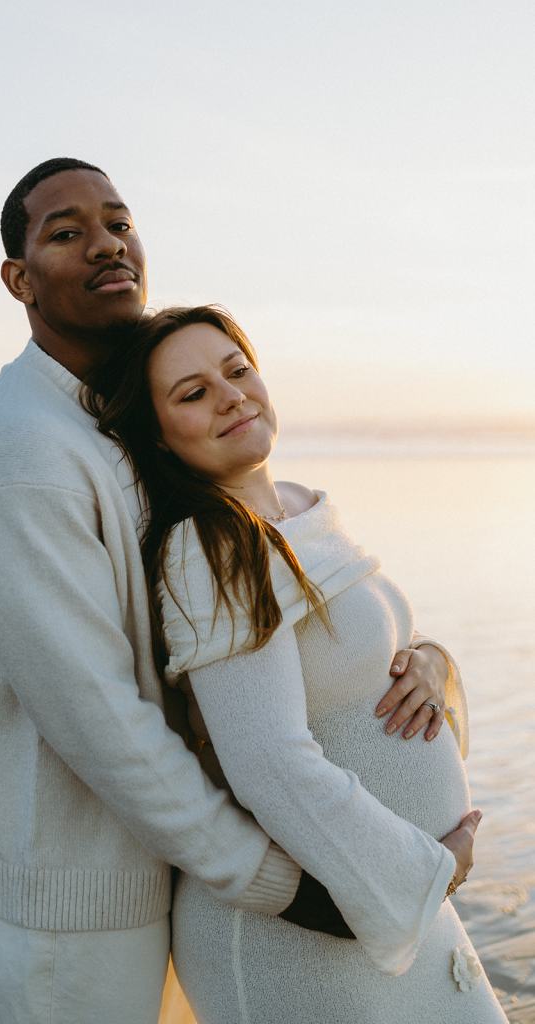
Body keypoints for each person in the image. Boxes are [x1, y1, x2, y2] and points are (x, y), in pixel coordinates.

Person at [0, 158, 479, 1023]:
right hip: (78, 905)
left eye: (119, 221)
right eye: (67, 233)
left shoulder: (115, 426)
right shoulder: (22, 456)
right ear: (18, 279)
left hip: (180, 868)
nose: (107, 245)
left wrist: (419, 665)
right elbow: (96, 716)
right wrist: (278, 885)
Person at [84, 303, 507, 1023]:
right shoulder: (212, 550)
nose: (229, 395)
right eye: (193, 394)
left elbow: (366, 657)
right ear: (157, 437)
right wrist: (429, 869)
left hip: (386, 907)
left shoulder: (303, 510)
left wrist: (433, 664)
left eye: (236, 369)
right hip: (313, 934)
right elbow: (269, 761)